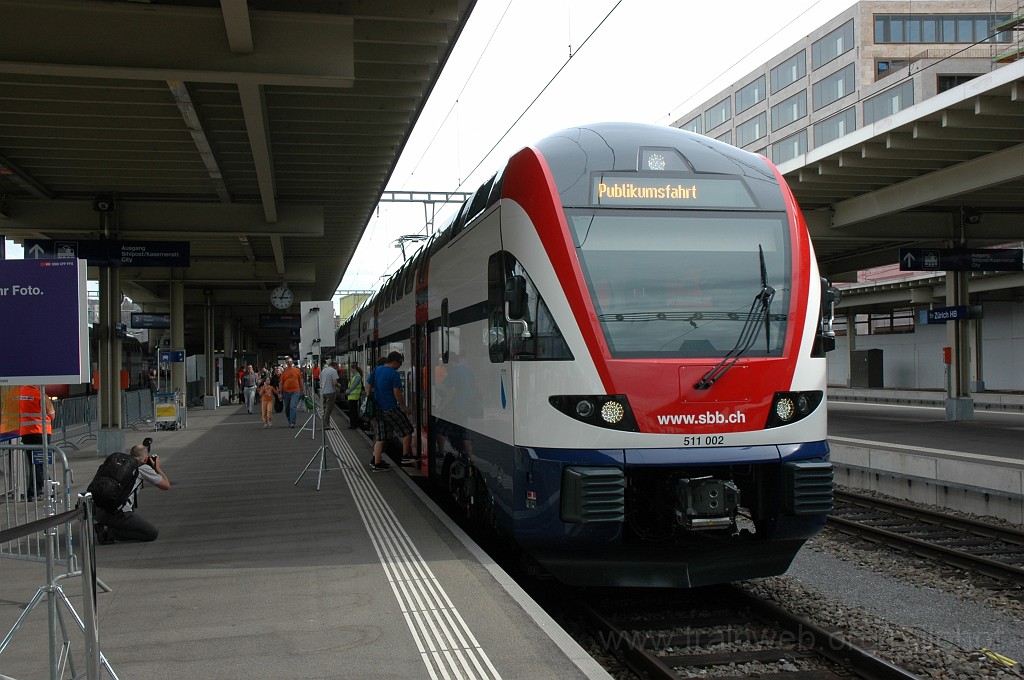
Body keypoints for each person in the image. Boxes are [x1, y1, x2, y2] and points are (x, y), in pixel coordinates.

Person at [94, 441, 170, 544]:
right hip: (118, 513)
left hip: (98, 511)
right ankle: (108, 532)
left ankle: (106, 525)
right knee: (152, 533)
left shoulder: (118, 463)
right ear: (146, 458)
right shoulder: (142, 467)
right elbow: (166, 485)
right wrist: (157, 467)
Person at [367, 351, 414, 471]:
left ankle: (377, 463)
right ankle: (406, 456)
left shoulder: (377, 370)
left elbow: (368, 384)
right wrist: (405, 408)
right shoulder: (394, 374)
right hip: (390, 408)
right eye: (400, 363)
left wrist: (370, 397)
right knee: (407, 430)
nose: (400, 366)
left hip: (378, 408)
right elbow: (396, 393)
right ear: (395, 362)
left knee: (382, 437)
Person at [17, 385, 54, 501]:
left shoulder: (17, 395)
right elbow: (52, 415)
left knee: (33, 463)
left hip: (26, 433)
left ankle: (49, 486)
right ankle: (34, 492)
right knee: (39, 463)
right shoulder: (41, 395)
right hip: (41, 432)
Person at [279, 357, 304, 428]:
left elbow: (300, 381)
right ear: (286, 363)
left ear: (292, 362)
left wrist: (302, 390)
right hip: (286, 392)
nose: (289, 363)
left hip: (295, 391)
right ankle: (289, 419)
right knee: (287, 407)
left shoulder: (297, 371)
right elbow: (281, 382)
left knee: (292, 406)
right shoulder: (284, 372)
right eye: (287, 362)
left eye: (290, 361)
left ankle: (293, 422)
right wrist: (280, 392)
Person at [319, 360, 340, 429]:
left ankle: (324, 424)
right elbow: (335, 383)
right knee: (329, 409)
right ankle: (326, 425)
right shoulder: (333, 371)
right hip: (331, 392)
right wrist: (339, 385)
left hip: (323, 392)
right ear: (334, 366)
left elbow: (321, 381)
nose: (337, 368)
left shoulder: (323, 370)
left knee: (324, 408)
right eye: (337, 367)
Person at [344, 362, 363, 430]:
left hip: (354, 397)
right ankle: (353, 424)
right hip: (352, 397)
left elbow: (353, 386)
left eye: (351, 369)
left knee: (353, 412)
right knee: (353, 411)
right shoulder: (355, 376)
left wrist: (348, 391)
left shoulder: (357, 377)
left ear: (354, 369)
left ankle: (354, 425)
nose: (351, 371)